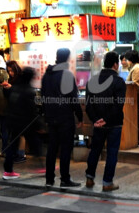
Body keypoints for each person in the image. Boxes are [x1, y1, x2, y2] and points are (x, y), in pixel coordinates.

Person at [41, 48, 83, 188]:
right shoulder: (66, 75)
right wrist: (80, 115)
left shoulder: (47, 75)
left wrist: (47, 113)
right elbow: (73, 98)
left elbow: (43, 96)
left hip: (51, 117)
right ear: (67, 59)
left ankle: (49, 179)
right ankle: (65, 179)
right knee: (65, 148)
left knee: (52, 148)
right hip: (65, 117)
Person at [85, 51, 126, 192]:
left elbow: (88, 104)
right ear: (115, 64)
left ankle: (89, 178)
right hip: (114, 124)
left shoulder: (93, 80)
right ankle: (107, 182)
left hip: (98, 124)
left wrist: (96, 120)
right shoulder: (119, 81)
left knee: (95, 150)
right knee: (112, 152)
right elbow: (118, 105)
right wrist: (106, 119)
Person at [2, 67, 44, 180]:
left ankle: (8, 170)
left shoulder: (15, 87)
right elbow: (32, 110)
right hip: (25, 123)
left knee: (13, 145)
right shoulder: (29, 91)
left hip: (13, 121)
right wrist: (39, 125)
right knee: (35, 144)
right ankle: (41, 166)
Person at [6, 60, 26, 163]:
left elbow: (22, 93)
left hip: (21, 110)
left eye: (11, 70)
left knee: (21, 134)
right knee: (16, 134)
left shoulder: (20, 79)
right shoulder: (12, 79)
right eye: (8, 71)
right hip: (14, 111)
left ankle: (21, 154)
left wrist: (11, 88)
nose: (10, 73)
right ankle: (16, 154)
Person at [125, 50, 139, 145]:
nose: (127, 62)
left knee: (136, 117)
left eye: (127, 60)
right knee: (137, 116)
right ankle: (138, 137)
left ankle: (138, 137)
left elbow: (135, 84)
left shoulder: (136, 68)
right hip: (136, 96)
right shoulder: (136, 67)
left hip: (135, 96)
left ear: (131, 60)